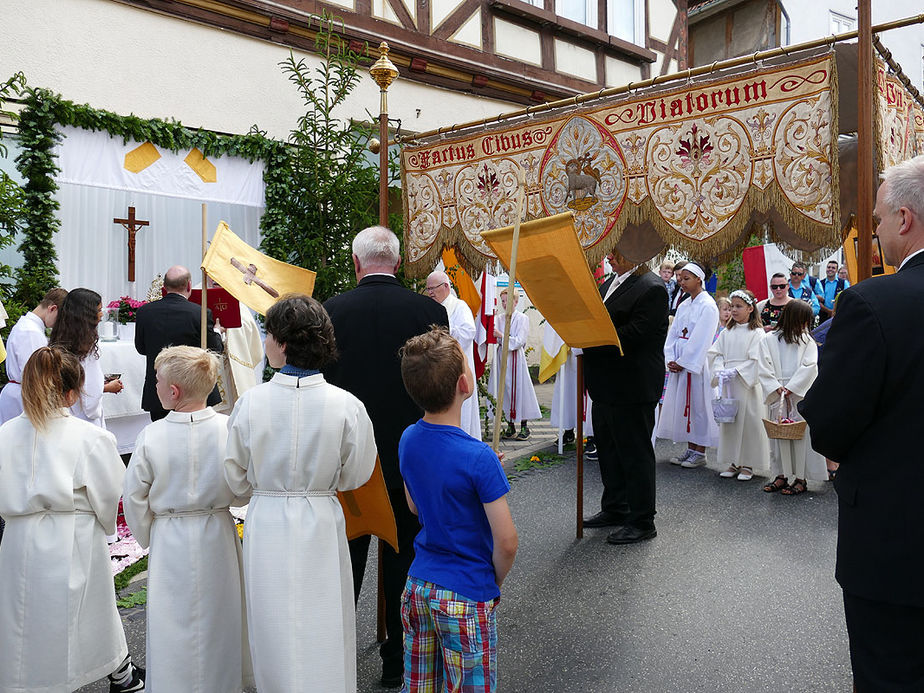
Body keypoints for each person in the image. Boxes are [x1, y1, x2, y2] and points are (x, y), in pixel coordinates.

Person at [800, 155, 924, 690]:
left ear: (904, 219)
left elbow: (830, 421)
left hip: (897, 545)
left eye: (875, 220)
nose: (872, 232)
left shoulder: (874, 303)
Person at [225, 294, 376, 691]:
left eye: (269, 334)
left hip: (268, 519)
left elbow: (235, 478)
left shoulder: (250, 404)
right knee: (322, 618)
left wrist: (261, 489)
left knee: (272, 622)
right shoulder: (347, 406)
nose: (266, 342)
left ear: (284, 342)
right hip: (321, 517)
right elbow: (357, 473)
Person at [322, 226, 448, 689]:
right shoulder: (430, 311)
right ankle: (399, 662)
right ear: (397, 262)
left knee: (345, 564)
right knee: (405, 560)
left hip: (347, 459)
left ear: (357, 264)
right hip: (410, 456)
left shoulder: (330, 312)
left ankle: (335, 664)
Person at [0, 347, 144, 693]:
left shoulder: (4, 435)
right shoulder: (92, 438)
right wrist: (105, 525)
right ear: (71, 393)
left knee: (23, 616)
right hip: (73, 535)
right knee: (88, 613)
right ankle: (119, 675)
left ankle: (24, 680)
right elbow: (109, 493)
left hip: (19, 537)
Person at [123, 345, 252, 693]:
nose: (155, 386)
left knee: (172, 618)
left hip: (171, 536)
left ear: (173, 391)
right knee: (219, 615)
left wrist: (151, 534)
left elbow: (134, 497)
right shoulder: (229, 429)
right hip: (217, 531)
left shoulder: (151, 436)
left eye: (157, 380)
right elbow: (243, 489)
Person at [398, 328, 518, 692]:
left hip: (418, 585)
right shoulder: (479, 458)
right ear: (465, 384)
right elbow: (507, 541)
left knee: (420, 686)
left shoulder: (408, 438)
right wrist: (491, 582)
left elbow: (415, 506)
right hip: (466, 591)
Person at [582, 250, 668, 544]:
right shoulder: (608, 284)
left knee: (635, 454)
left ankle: (643, 520)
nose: (610, 256)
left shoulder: (652, 287)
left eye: (618, 250)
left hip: (632, 384)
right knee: (609, 450)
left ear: (635, 250)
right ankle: (616, 507)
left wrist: (592, 339)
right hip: (605, 383)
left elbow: (636, 334)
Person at [134, 265, 224, 421]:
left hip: (159, 388)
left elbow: (141, 348)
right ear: (189, 285)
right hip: (193, 389)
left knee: (161, 439)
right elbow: (214, 349)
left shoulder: (144, 312)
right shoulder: (200, 313)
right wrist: (217, 332)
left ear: (164, 286)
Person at [757, 301, 825, 495]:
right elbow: (764, 364)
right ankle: (780, 475)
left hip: (797, 394)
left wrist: (792, 387)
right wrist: (775, 386)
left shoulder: (807, 341)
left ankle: (800, 478)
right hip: (777, 392)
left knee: (800, 437)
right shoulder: (769, 339)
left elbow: (810, 366)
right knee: (778, 436)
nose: (805, 325)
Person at [658, 261, 720, 468]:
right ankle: (691, 448)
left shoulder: (708, 306)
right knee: (685, 407)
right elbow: (673, 334)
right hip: (680, 364)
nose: (681, 283)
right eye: (680, 279)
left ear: (699, 279)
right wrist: (671, 359)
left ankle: (700, 451)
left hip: (696, 365)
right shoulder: (684, 305)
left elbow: (702, 338)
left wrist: (685, 361)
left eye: (686, 279)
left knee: (698, 407)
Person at [706, 289, 768, 481]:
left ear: (750, 308)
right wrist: (720, 370)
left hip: (746, 385)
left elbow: (757, 359)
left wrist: (737, 371)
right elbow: (715, 353)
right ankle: (734, 462)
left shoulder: (757, 333)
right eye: (731, 306)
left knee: (748, 423)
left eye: (738, 306)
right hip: (729, 385)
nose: (733, 310)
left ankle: (748, 463)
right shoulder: (727, 331)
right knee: (730, 423)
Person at [49, 288, 124, 428]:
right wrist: (106, 387)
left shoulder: (59, 339)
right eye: (99, 310)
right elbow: (91, 397)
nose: (101, 315)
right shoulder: (84, 347)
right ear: (86, 314)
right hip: (84, 418)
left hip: (64, 412)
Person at [425, 270, 480, 439]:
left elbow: (468, 332)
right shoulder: (433, 308)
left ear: (446, 287)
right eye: (428, 289)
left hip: (458, 372)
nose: (430, 293)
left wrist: (442, 331)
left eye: (433, 288)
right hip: (439, 371)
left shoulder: (459, 306)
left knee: (461, 417)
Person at [0, 287, 67, 424]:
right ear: (52, 309)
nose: (58, 325)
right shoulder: (31, 332)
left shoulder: (28, 326)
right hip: (24, 397)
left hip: (20, 394)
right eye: (60, 318)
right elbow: (35, 375)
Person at [487, 288, 542, 440]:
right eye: (503, 301)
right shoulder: (498, 318)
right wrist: (498, 337)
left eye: (508, 301)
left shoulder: (522, 318)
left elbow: (519, 341)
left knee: (520, 390)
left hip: (516, 359)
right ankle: (510, 425)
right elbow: (495, 339)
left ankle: (524, 426)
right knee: (503, 390)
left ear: (516, 302)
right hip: (501, 357)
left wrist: (502, 336)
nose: (505, 304)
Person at [817, 259, 848, 323]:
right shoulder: (820, 283)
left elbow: (846, 299)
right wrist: (829, 311)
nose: (830, 269)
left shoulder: (844, 283)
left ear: (836, 271)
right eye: (828, 267)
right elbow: (818, 301)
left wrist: (834, 312)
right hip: (824, 315)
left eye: (833, 268)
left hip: (839, 315)